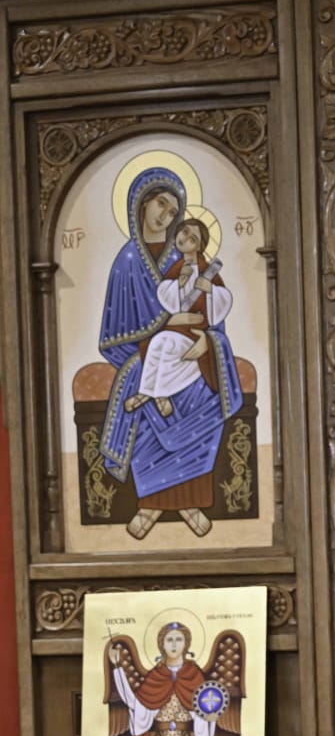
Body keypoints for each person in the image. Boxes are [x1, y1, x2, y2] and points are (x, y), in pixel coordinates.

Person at [98, 166, 243, 541]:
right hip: (144, 358)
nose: (166, 214)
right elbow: (114, 335)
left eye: (174, 210)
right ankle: (150, 505)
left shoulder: (192, 260)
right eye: (161, 203)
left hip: (193, 352)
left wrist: (208, 344)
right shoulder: (127, 262)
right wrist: (162, 330)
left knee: (203, 395)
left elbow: (213, 317)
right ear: (142, 203)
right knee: (145, 399)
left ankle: (191, 502)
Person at [126, 218, 230, 421]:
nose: (185, 238)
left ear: (199, 246)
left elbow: (223, 302)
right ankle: (149, 392)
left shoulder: (207, 271)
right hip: (175, 329)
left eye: (193, 238)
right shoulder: (176, 268)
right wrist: (179, 283)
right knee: (157, 342)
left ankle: (157, 394)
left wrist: (210, 290)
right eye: (184, 231)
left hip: (194, 332)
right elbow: (166, 300)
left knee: (167, 345)